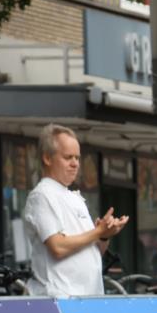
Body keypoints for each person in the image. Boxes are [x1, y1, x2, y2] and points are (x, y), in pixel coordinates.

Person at [23, 124, 128, 296]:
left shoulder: (74, 198)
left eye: (77, 158)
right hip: (60, 299)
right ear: (47, 159)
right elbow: (58, 247)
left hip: (88, 299)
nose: (75, 164)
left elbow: (92, 252)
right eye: (68, 157)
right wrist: (97, 232)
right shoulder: (42, 195)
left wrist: (103, 235)